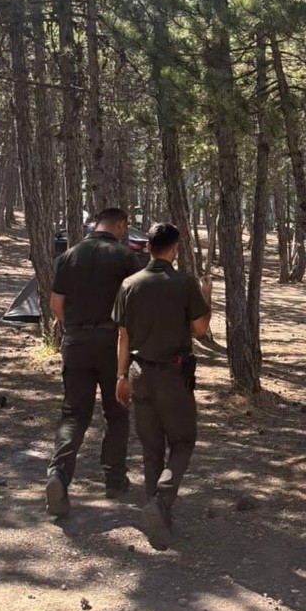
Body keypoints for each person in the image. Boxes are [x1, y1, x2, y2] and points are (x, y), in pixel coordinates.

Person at [113, 223, 211, 550]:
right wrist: (206, 297)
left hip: (139, 372)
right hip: (173, 374)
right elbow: (199, 329)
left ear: (151, 247)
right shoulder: (184, 284)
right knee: (183, 441)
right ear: (174, 248)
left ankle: (156, 517)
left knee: (151, 449)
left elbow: (123, 336)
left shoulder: (129, 284)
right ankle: (161, 502)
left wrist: (121, 376)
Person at [45, 207, 143, 518]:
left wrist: (73, 329)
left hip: (75, 342)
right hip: (113, 344)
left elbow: (56, 304)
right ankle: (114, 479)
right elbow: (135, 304)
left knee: (74, 415)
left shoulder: (69, 255)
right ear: (120, 225)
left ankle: (58, 475)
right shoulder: (126, 257)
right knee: (116, 413)